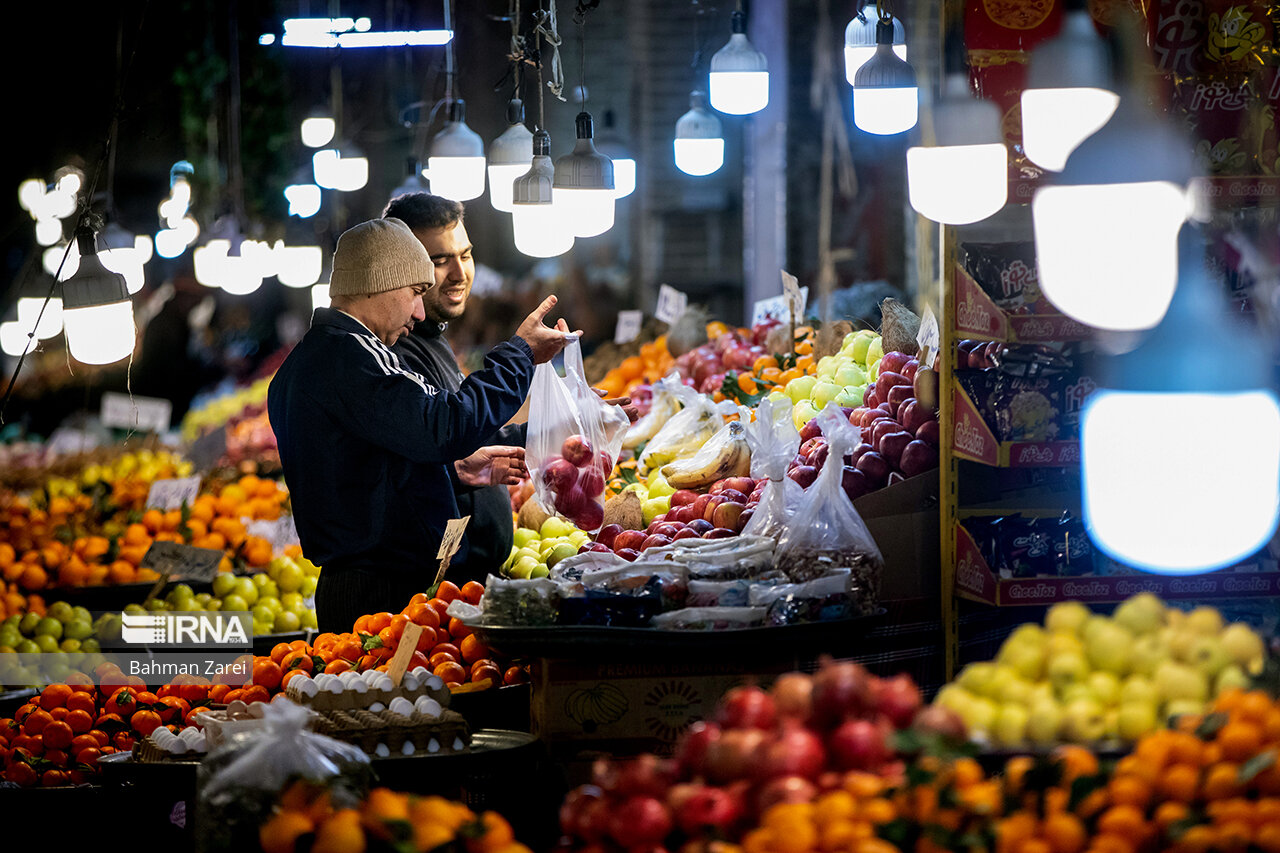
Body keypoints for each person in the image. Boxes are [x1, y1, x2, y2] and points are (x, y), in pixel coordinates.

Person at [267, 217, 575, 633]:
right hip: (376, 593)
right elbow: (443, 425)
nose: (418, 312)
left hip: (376, 584)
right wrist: (519, 355)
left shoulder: (325, 357)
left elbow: (365, 466)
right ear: (379, 283)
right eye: (415, 292)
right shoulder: (350, 357)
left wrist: (451, 472)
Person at [384, 192, 636, 583]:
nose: (459, 273)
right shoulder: (393, 351)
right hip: (418, 591)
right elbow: (444, 433)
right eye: (438, 261)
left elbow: (462, 442)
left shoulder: (429, 337)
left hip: (465, 581)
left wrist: (561, 429)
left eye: (464, 255)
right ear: (399, 268)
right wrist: (521, 353)